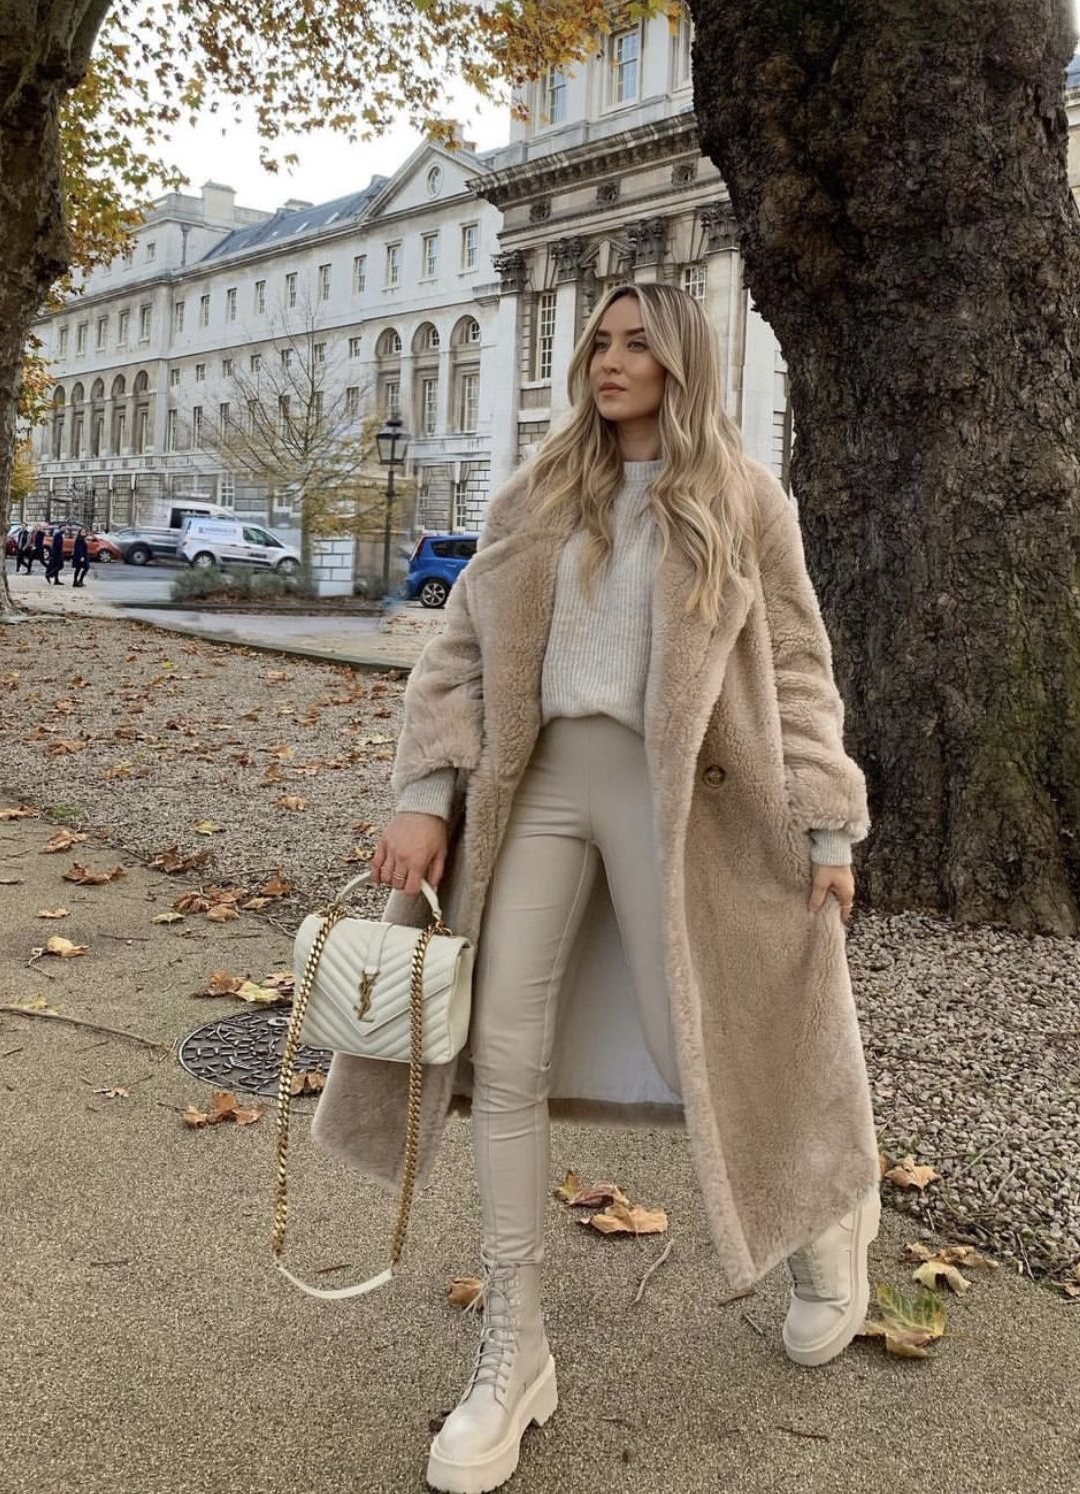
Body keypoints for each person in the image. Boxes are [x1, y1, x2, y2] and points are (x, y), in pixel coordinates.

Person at [312, 283, 879, 1494]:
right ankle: (514, 1344)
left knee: (703, 1040)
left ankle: (824, 1212)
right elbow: (458, 649)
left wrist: (829, 821)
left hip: (688, 797)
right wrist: (424, 789)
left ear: (683, 362)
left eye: (635, 344)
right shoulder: (534, 492)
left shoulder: (742, 500)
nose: (608, 362)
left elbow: (797, 666)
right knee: (500, 1048)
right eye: (598, 344)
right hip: (540, 785)